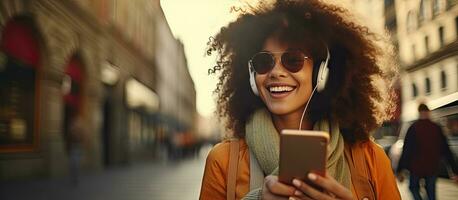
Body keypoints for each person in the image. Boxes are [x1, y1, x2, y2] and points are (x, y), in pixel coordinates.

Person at [200, 0, 401, 199]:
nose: (276, 72)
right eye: (264, 61)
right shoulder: (224, 161)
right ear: (252, 76)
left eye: (293, 60)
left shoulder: (370, 159)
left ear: (321, 73)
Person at [397, 103, 458, 200]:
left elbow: (406, 151)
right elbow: (446, 150)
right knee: (431, 193)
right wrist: (454, 170)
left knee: (413, 188)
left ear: (419, 112)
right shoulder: (436, 128)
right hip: (432, 166)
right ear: (428, 112)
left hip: (416, 167)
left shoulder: (413, 128)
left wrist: (400, 170)